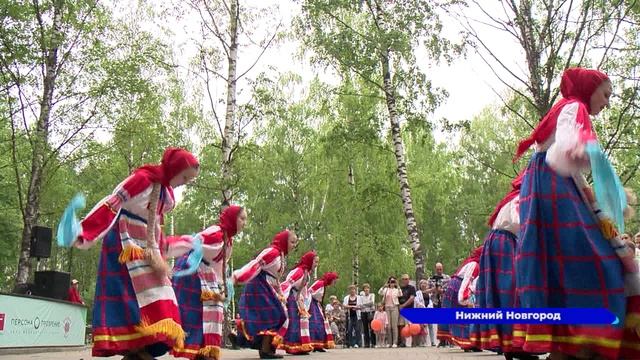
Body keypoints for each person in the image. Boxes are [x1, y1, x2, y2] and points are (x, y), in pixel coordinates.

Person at [512, 67, 625, 360]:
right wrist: (599, 165)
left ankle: (567, 344)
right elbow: (563, 152)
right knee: (595, 261)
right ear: (590, 89)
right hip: (553, 185)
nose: (607, 102)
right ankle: (586, 336)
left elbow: (567, 162)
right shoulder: (575, 106)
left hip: (548, 184)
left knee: (557, 265)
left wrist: (609, 195)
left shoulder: (566, 108)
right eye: (606, 94)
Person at [72, 147, 200, 359]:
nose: (185, 182)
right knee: (130, 301)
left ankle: (139, 353)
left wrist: (183, 243)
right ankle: (137, 352)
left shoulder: (165, 194)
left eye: (189, 180)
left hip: (148, 249)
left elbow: (157, 231)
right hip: (125, 245)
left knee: (162, 303)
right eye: (185, 177)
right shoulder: (143, 179)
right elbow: (112, 203)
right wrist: (86, 232)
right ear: (175, 168)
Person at [468, 175, 539, 360]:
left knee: (501, 293)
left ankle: (509, 345)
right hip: (505, 242)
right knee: (513, 290)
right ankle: (514, 344)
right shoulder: (520, 197)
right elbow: (521, 222)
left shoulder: (511, 198)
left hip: (496, 242)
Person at [171, 205, 247, 360]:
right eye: (242, 218)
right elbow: (190, 242)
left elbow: (218, 267)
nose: (245, 223)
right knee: (195, 314)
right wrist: (163, 248)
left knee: (212, 312)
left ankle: (204, 352)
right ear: (232, 218)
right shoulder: (216, 233)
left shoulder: (228, 242)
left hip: (206, 275)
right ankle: (198, 352)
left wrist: (222, 288)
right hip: (191, 272)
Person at [231, 230, 298, 359]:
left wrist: (280, 293)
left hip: (267, 286)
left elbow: (276, 278)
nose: (294, 245)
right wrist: (237, 277)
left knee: (274, 316)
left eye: (295, 243)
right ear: (284, 241)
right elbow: (255, 264)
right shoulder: (273, 252)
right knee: (274, 315)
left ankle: (265, 349)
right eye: (292, 242)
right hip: (259, 285)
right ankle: (258, 345)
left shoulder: (281, 254)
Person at [440, 247, 482, 352]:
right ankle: (467, 343)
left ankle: (468, 343)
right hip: (459, 287)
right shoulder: (474, 265)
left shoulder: (474, 264)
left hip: (456, 286)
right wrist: (464, 298)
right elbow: (467, 281)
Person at [278, 251, 318, 355]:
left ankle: (301, 345)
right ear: (309, 261)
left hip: (297, 298)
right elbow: (287, 283)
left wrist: (303, 301)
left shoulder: (306, 272)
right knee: (294, 321)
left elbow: (303, 288)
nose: (316, 265)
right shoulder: (299, 271)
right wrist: (281, 296)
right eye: (315, 262)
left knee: (301, 321)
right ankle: (293, 346)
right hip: (291, 297)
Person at [308, 272, 339, 352]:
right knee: (315, 324)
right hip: (312, 304)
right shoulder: (319, 283)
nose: (335, 282)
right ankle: (314, 344)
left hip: (316, 304)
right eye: (334, 280)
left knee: (321, 323)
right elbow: (308, 292)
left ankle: (319, 345)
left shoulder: (323, 285)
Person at [378, 277, 401, 348]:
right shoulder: (386, 289)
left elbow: (400, 294)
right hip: (387, 308)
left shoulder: (396, 290)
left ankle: (395, 342)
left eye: (393, 282)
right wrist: (384, 286)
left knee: (394, 326)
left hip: (394, 307)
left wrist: (398, 285)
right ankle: (389, 342)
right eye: (391, 282)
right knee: (388, 326)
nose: (392, 283)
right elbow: (379, 292)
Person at [396, 274, 416, 347]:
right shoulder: (399, 289)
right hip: (401, 310)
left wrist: (403, 305)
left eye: (407, 279)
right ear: (402, 280)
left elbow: (412, 298)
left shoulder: (412, 288)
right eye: (404, 279)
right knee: (401, 326)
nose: (406, 280)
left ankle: (413, 342)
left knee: (412, 326)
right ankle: (402, 342)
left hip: (410, 309)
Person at [413, 279, 433, 347]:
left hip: (428, 311)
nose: (424, 285)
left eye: (425, 283)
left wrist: (429, 306)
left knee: (429, 326)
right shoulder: (417, 293)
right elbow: (417, 301)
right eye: (422, 283)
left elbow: (430, 301)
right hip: (420, 311)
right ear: (420, 285)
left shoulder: (429, 293)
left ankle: (431, 341)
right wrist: (423, 306)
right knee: (421, 327)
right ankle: (421, 342)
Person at [359, 283, 376, 348]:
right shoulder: (361, 297)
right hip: (363, 313)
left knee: (372, 328)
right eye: (365, 288)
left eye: (367, 288)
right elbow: (360, 304)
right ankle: (367, 343)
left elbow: (372, 303)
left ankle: (373, 343)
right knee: (365, 328)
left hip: (370, 312)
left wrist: (364, 305)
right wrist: (366, 305)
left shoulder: (372, 295)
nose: (366, 290)